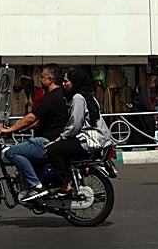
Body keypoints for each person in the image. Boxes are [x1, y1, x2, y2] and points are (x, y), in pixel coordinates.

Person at [0, 65, 68, 202]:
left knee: (11, 152)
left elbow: (32, 117)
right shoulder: (61, 95)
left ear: (50, 80)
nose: (40, 80)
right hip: (53, 139)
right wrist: (22, 128)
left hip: (45, 142)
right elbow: (42, 121)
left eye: (42, 77)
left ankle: (36, 186)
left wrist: (9, 130)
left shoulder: (51, 97)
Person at [45, 67, 113, 198]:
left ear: (75, 82)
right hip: (97, 138)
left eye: (66, 81)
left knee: (54, 150)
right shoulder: (89, 97)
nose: (64, 84)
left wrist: (61, 138)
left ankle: (65, 186)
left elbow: (75, 124)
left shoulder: (78, 98)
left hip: (87, 140)